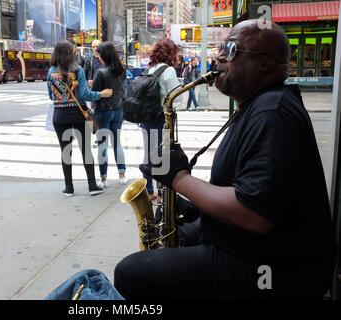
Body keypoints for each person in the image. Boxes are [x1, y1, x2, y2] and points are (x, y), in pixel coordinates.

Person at [114, 19, 335, 299]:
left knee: (132, 272)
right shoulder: (260, 105)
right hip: (259, 249)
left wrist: (179, 179)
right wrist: (197, 208)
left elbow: (255, 214)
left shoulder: (272, 113)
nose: (218, 56)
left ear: (265, 64)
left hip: (276, 269)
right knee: (180, 237)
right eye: (220, 47)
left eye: (230, 50)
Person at [47, 40, 113, 197]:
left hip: (59, 116)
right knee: (86, 150)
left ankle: (69, 188)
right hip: (78, 114)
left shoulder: (51, 72)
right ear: (70, 53)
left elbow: (51, 96)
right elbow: (84, 95)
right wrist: (101, 94)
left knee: (65, 151)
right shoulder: (78, 70)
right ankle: (92, 186)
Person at [140, 38, 181, 201]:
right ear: (171, 53)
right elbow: (177, 97)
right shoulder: (169, 71)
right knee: (163, 156)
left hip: (145, 118)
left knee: (148, 155)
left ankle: (148, 191)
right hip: (162, 119)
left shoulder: (149, 69)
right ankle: (163, 193)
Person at [91, 42, 128, 188]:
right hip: (118, 110)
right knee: (117, 143)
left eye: (99, 55)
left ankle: (104, 179)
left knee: (102, 145)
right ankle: (122, 174)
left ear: (104, 55)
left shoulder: (100, 72)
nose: (98, 58)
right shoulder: (121, 70)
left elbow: (93, 95)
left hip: (103, 112)